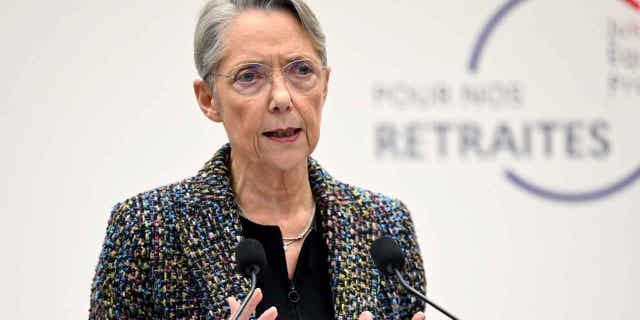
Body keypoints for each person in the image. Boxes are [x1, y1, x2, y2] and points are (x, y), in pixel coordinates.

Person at [88, 1, 426, 319]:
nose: (281, 98)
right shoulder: (149, 230)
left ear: (324, 85)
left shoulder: (386, 229)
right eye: (250, 76)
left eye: (301, 70)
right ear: (208, 99)